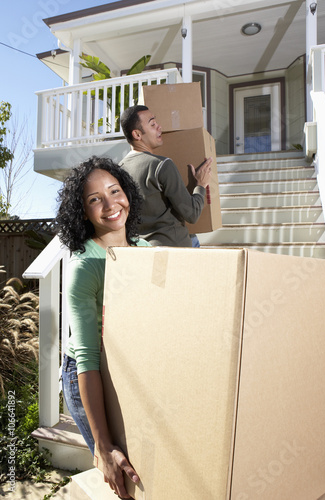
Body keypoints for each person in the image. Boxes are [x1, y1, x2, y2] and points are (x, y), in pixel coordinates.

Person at [55, 156, 150, 498]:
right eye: (95, 199)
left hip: (125, 367)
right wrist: (103, 444)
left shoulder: (145, 250)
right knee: (121, 471)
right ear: (82, 212)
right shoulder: (85, 267)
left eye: (115, 191)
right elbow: (87, 357)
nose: (110, 204)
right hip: (87, 374)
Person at [119, 105, 212, 247]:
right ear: (137, 135)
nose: (159, 127)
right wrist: (200, 185)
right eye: (152, 124)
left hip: (141, 249)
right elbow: (192, 214)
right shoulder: (161, 165)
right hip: (175, 249)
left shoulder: (119, 170)